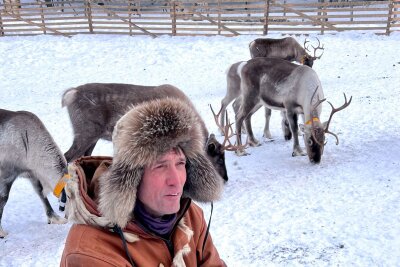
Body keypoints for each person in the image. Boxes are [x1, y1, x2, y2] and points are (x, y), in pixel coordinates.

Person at [60, 98, 226, 266]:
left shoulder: (190, 215)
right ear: (132, 178)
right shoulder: (92, 252)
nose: (176, 181)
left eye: (180, 163)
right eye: (160, 166)